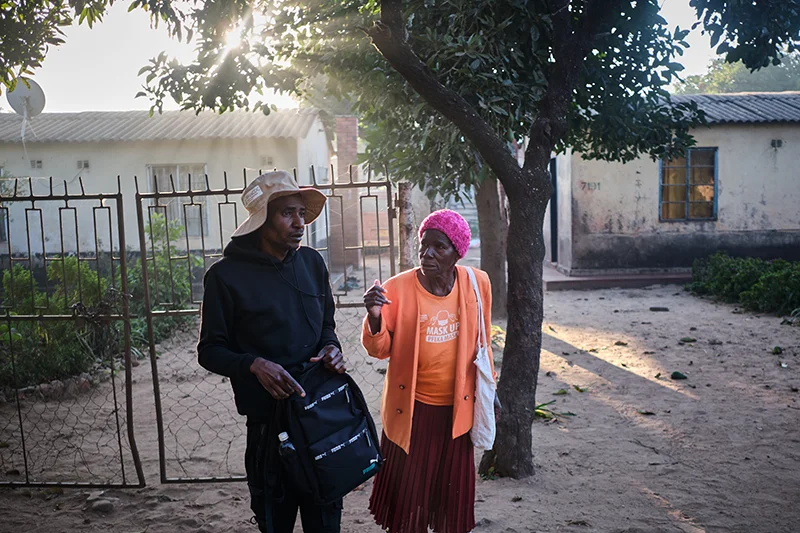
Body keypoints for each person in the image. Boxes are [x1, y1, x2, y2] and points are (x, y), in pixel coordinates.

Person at [197, 170, 346, 533]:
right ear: (262, 221)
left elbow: (327, 324)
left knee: (325, 520)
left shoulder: (311, 263)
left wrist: (332, 348)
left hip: (320, 418)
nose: (299, 223)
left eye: (301, 213)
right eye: (287, 214)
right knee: (275, 522)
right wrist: (253, 365)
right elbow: (210, 351)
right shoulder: (225, 277)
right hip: (268, 429)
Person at [362, 209, 496, 533]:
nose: (427, 254)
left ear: (457, 253)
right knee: (409, 505)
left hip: (458, 413)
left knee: (450, 503)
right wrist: (375, 316)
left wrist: (492, 392)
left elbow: (484, 341)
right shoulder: (397, 290)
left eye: (439, 247)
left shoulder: (477, 284)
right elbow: (378, 350)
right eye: (424, 245)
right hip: (412, 413)